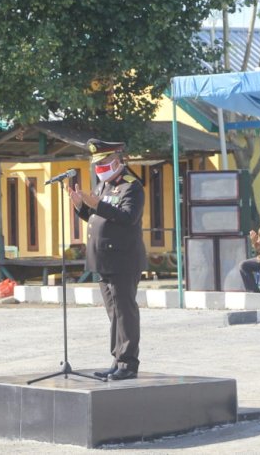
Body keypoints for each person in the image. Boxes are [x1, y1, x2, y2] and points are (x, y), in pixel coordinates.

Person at [68, 138, 146, 381]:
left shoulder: (131, 187)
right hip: (103, 260)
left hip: (123, 260)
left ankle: (128, 363)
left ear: (117, 160)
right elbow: (96, 218)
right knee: (114, 313)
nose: (99, 167)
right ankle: (117, 359)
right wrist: (81, 207)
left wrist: (97, 204)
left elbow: (127, 217)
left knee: (125, 312)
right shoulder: (102, 186)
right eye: (97, 164)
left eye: (104, 162)